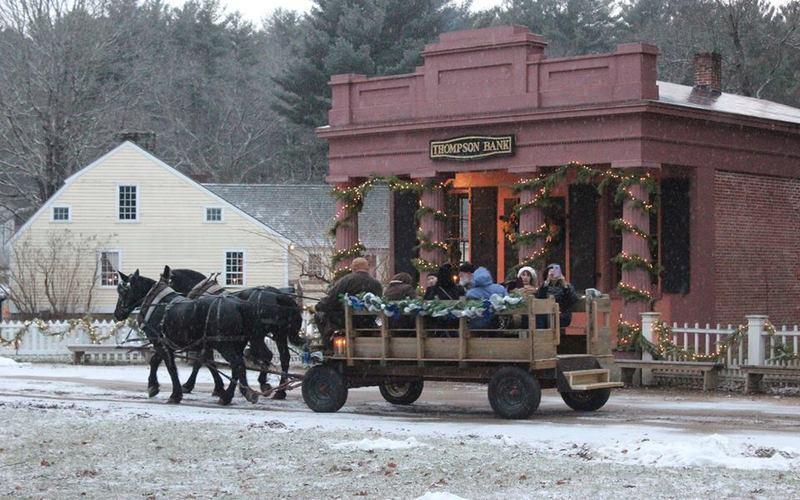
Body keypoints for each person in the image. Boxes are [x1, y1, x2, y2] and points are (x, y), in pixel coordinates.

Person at [315, 257, 383, 343]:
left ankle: (329, 346)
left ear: (353, 268)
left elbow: (332, 300)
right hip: (369, 322)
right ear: (367, 268)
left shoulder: (347, 280)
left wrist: (319, 306)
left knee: (319, 316)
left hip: (346, 321)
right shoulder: (376, 284)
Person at [535, 263, 579, 328]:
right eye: (550, 272)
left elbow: (573, 300)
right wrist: (546, 282)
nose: (553, 274)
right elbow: (539, 299)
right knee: (539, 318)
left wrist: (565, 285)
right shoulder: (544, 286)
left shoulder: (566, 286)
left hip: (562, 315)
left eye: (555, 272)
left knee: (548, 319)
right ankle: (540, 337)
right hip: (546, 315)